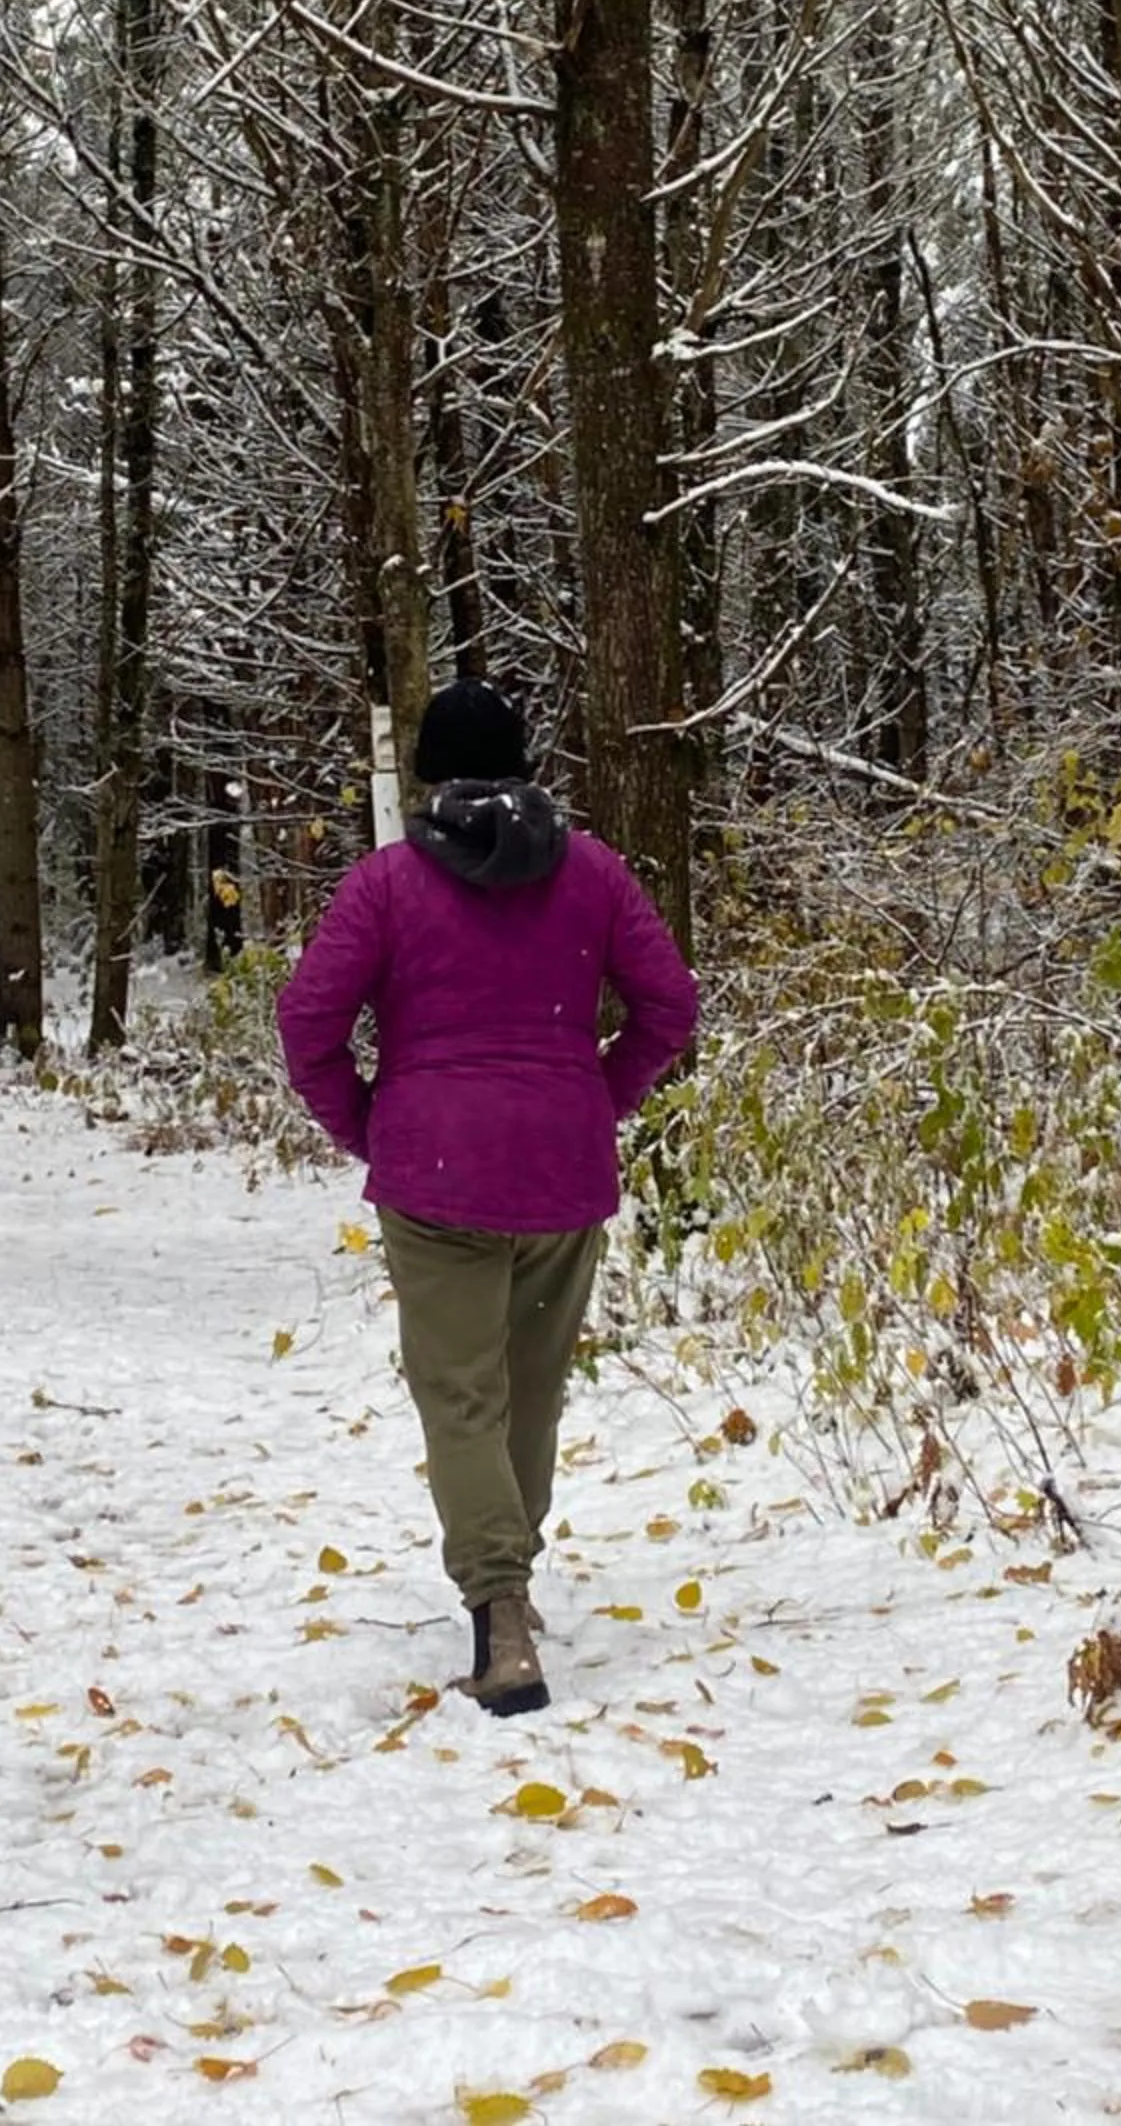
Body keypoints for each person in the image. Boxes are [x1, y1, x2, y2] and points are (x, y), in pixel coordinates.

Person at [276, 678, 698, 1717]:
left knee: (460, 1393)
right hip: (561, 1166)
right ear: (524, 765)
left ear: (429, 771)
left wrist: (368, 1123)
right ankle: (512, 1579)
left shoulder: (387, 885)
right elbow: (670, 1005)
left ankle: (500, 1614)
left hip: (437, 1171)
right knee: (530, 1385)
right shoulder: (592, 873)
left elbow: (308, 1024)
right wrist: (599, 1095)